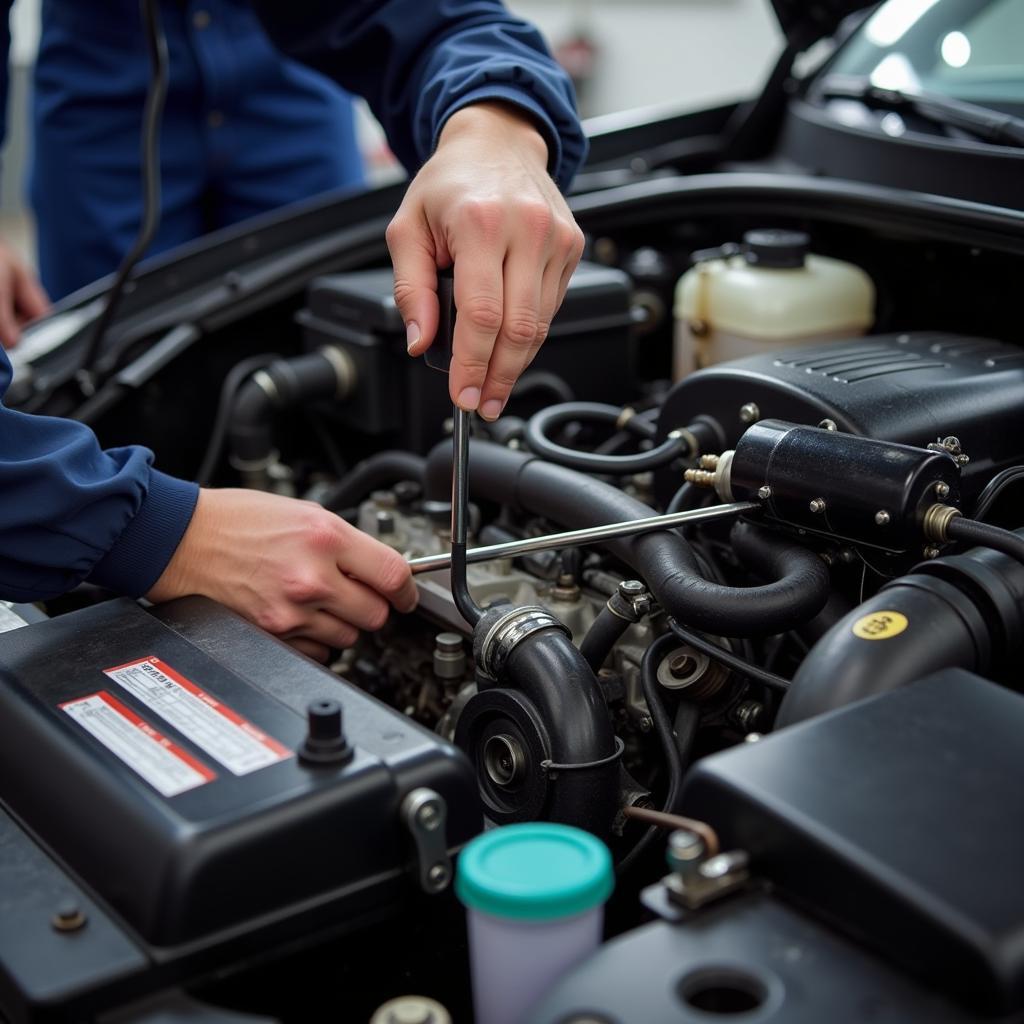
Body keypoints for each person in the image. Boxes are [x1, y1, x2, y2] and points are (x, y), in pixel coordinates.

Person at [0, 0, 587, 660]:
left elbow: (430, 19)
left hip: (288, 92)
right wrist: (153, 535)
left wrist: (497, 126)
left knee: (318, 331)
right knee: (121, 389)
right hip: (105, 100)